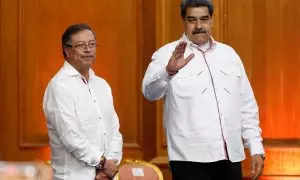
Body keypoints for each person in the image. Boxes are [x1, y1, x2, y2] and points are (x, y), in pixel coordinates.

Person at [142, 0, 265, 179]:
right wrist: (169, 71)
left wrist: (255, 147)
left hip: (230, 158)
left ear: (211, 20)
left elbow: (246, 104)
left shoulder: (229, 54)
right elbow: (149, 92)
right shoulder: (166, 54)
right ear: (183, 21)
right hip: (189, 161)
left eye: (204, 19)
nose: (199, 26)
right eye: (192, 20)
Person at [43, 23, 123, 180]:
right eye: (81, 45)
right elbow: (70, 136)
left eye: (92, 44)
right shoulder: (59, 86)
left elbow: (114, 130)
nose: (88, 49)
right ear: (67, 50)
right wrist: (103, 163)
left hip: (105, 176)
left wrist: (110, 165)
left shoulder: (102, 85)